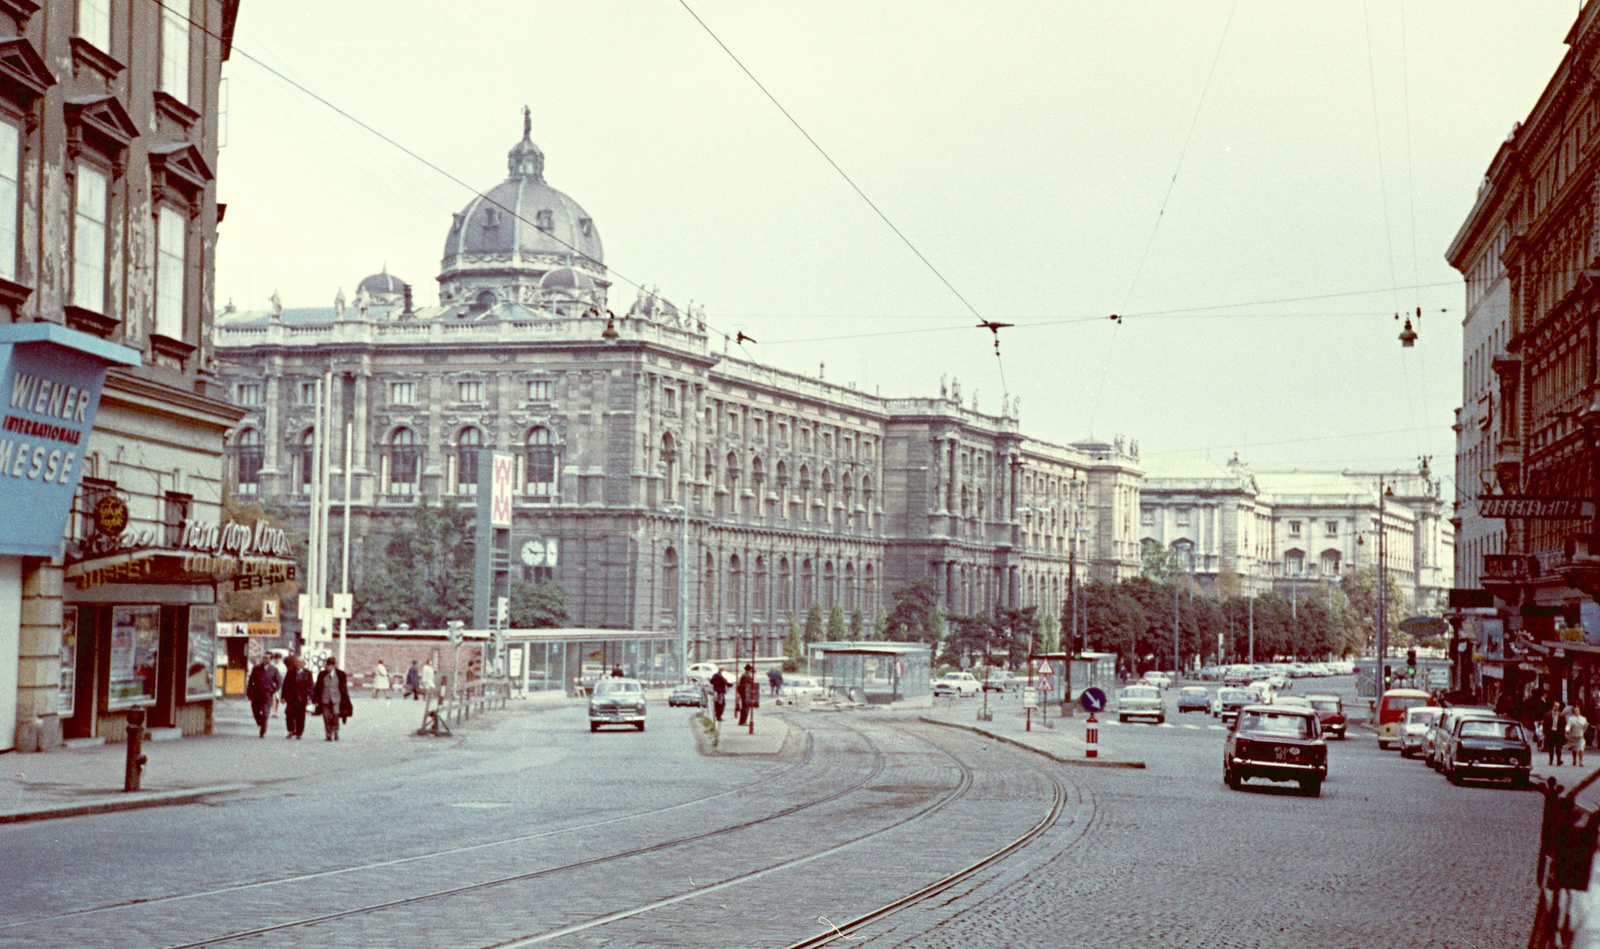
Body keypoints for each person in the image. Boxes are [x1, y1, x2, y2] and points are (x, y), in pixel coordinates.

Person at [314, 656, 353, 741]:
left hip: (336, 699)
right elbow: (317, 687)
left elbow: (343, 688)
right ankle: (328, 734)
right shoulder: (322, 674)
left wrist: (345, 699)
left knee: (336, 714)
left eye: (329, 665)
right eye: (327, 665)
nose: (327, 667)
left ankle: (335, 731)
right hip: (325, 698)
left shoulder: (340, 674)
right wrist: (316, 700)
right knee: (326, 717)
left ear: (333, 666)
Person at [245, 657, 281, 738]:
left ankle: (263, 730)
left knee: (265, 712)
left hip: (267, 694)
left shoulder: (274, 669)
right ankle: (260, 722)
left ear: (270, 659)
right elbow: (251, 681)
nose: (265, 660)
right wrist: (249, 693)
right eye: (264, 658)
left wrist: (273, 690)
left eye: (267, 658)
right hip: (256, 693)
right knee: (255, 710)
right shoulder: (256, 669)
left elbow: (279, 682)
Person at [281, 655, 314, 740]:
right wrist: (283, 696)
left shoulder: (308, 673)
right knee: (289, 713)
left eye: (300, 662)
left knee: (300, 716)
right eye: (296, 662)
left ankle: (299, 732)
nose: (298, 664)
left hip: (301, 697)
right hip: (291, 697)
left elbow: (311, 686)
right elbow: (285, 684)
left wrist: (310, 698)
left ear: (304, 663)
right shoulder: (290, 672)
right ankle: (290, 730)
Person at [270, 653, 287, 717]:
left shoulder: (283, 666)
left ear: (280, 658)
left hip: (280, 683)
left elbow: (284, 675)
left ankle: (276, 710)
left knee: (277, 698)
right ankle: (274, 711)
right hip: (273, 683)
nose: (277, 659)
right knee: (273, 697)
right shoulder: (273, 665)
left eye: (278, 658)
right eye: (276, 658)